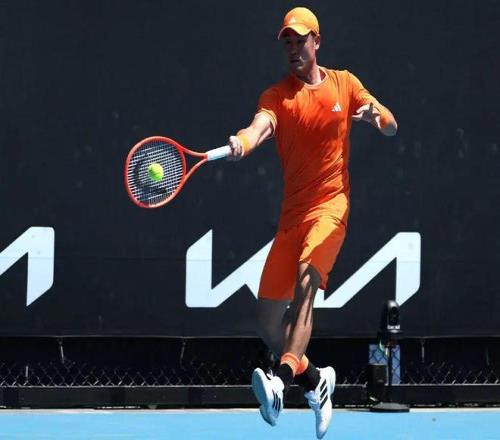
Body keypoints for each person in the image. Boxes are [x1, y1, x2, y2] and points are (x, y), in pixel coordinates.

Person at [227, 7, 397, 439]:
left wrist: (376, 116)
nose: (293, 48)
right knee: (268, 323)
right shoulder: (276, 96)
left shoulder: (345, 83)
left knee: (307, 279)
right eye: (287, 41)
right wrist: (242, 142)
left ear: (316, 42)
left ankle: (280, 383)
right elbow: (259, 128)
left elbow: (391, 125)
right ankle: (316, 380)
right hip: (292, 218)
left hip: (330, 209)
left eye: (300, 40)